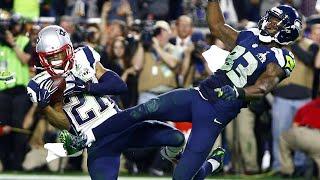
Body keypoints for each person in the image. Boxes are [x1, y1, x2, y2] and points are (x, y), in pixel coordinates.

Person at [65, 2, 303, 179]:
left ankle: (209, 166)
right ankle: (89, 136)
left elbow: (263, 86)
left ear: (287, 29)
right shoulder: (249, 35)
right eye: (271, 18)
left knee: (181, 178)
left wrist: (240, 93)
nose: (269, 22)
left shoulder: (282, 57)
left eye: (276, 21)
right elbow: (217, 26)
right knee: (143, 110)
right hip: (198, 95)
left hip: (215, 115)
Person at [26, 25, 197, 180]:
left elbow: (119, 86)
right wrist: (44, 107)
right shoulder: (39, 84)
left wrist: (85, 87)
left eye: (60, 54)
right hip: (95, 141)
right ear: (42, 59)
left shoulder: (83, 56)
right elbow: (64, 124)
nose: (57, 61)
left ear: (69, 49)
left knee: (176, 138)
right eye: (51, 57)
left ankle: (172, 156)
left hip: (120, 124)